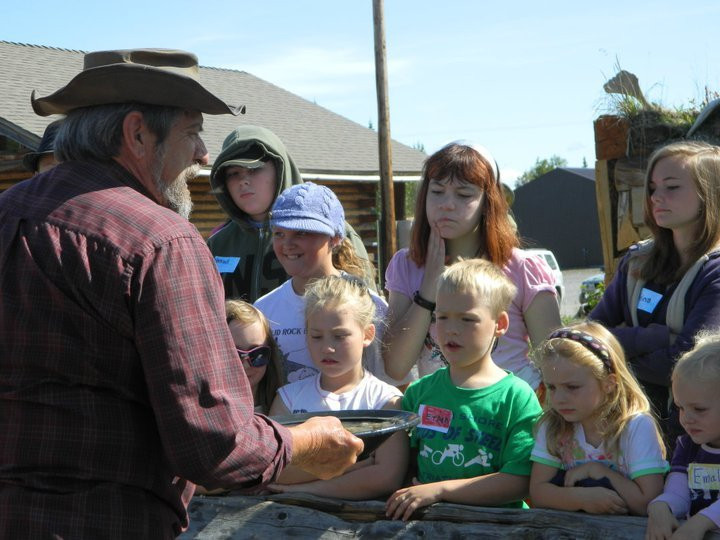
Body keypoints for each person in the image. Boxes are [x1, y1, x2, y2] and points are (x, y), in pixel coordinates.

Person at [0, 48, 363, 538]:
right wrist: (305, 442)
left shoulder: (8, 212)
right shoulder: (161, 240)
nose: (203, 156)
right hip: (103, 521)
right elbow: (215, 443)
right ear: (137, 133)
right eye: (192, 132)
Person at [383, 141, 561, 389]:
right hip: (440, 416)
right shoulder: (407, 264)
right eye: (437, 191)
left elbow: (555, 363)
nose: (446, 203)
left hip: (509, 414)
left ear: (488, 202)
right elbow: (395, 366)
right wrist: (427, 291)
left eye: (464, 194)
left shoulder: (523, 268)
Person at [385, 259, 542, 521]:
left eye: (468, 319)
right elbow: (401, 466)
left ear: (500, 324)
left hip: (497, 529)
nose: (451, 329)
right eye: (442, 317)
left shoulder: (518, 397)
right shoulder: (418, 393)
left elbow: (520, 481)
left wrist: (441, 491)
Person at [590, 141, 720, 442]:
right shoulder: (637, 261)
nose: (656, 198)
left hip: (688, 442)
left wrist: (612, 356)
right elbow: (589, 337)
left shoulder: (714, 271)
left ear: (709, 193)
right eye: (652, 188)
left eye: (671, 187)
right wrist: (654, 337)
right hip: (627, 431)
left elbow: (684, 368)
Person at [267, 275, 408, 499]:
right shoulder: (288, 398)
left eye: (339, 336)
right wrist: (355, 466)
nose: (327, 348)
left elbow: (386, 477)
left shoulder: (386, 401)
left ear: (367, 334)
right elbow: (272, 468)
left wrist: (306, 488)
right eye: (316, 336)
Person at [207, 125, 375, 302]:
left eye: (254, 169)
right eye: (233, 173)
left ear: (280, 170)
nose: (243, 181)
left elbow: (366, 310)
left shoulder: (330, 231)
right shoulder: (219, 243)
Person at [255, 182, 399, 385]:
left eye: (301, 233)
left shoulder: (369, 306)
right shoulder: (263, 310)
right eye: (279, 234)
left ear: (335, 238)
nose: (287, 244)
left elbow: (393, 384)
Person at [529, 322, 667, 516]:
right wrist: (583, 499)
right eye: (551, 387)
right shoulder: (554, 426)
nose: (558, 399)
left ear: (609, 383)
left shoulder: (635, 427)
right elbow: (538, 493)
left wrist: (600, 472)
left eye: (572, 387)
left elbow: (649, 504)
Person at [646, 332, 720, 540]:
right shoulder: (687, 446)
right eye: (680, 407)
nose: (686, 418)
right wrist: (661, 505)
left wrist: (702, 521)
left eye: (699, 409)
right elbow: (679, 494)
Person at [225, 299, 286, 414]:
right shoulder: (202, 413)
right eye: (235, 355)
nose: (246, 365)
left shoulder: (285, 405)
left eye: (258, 354)